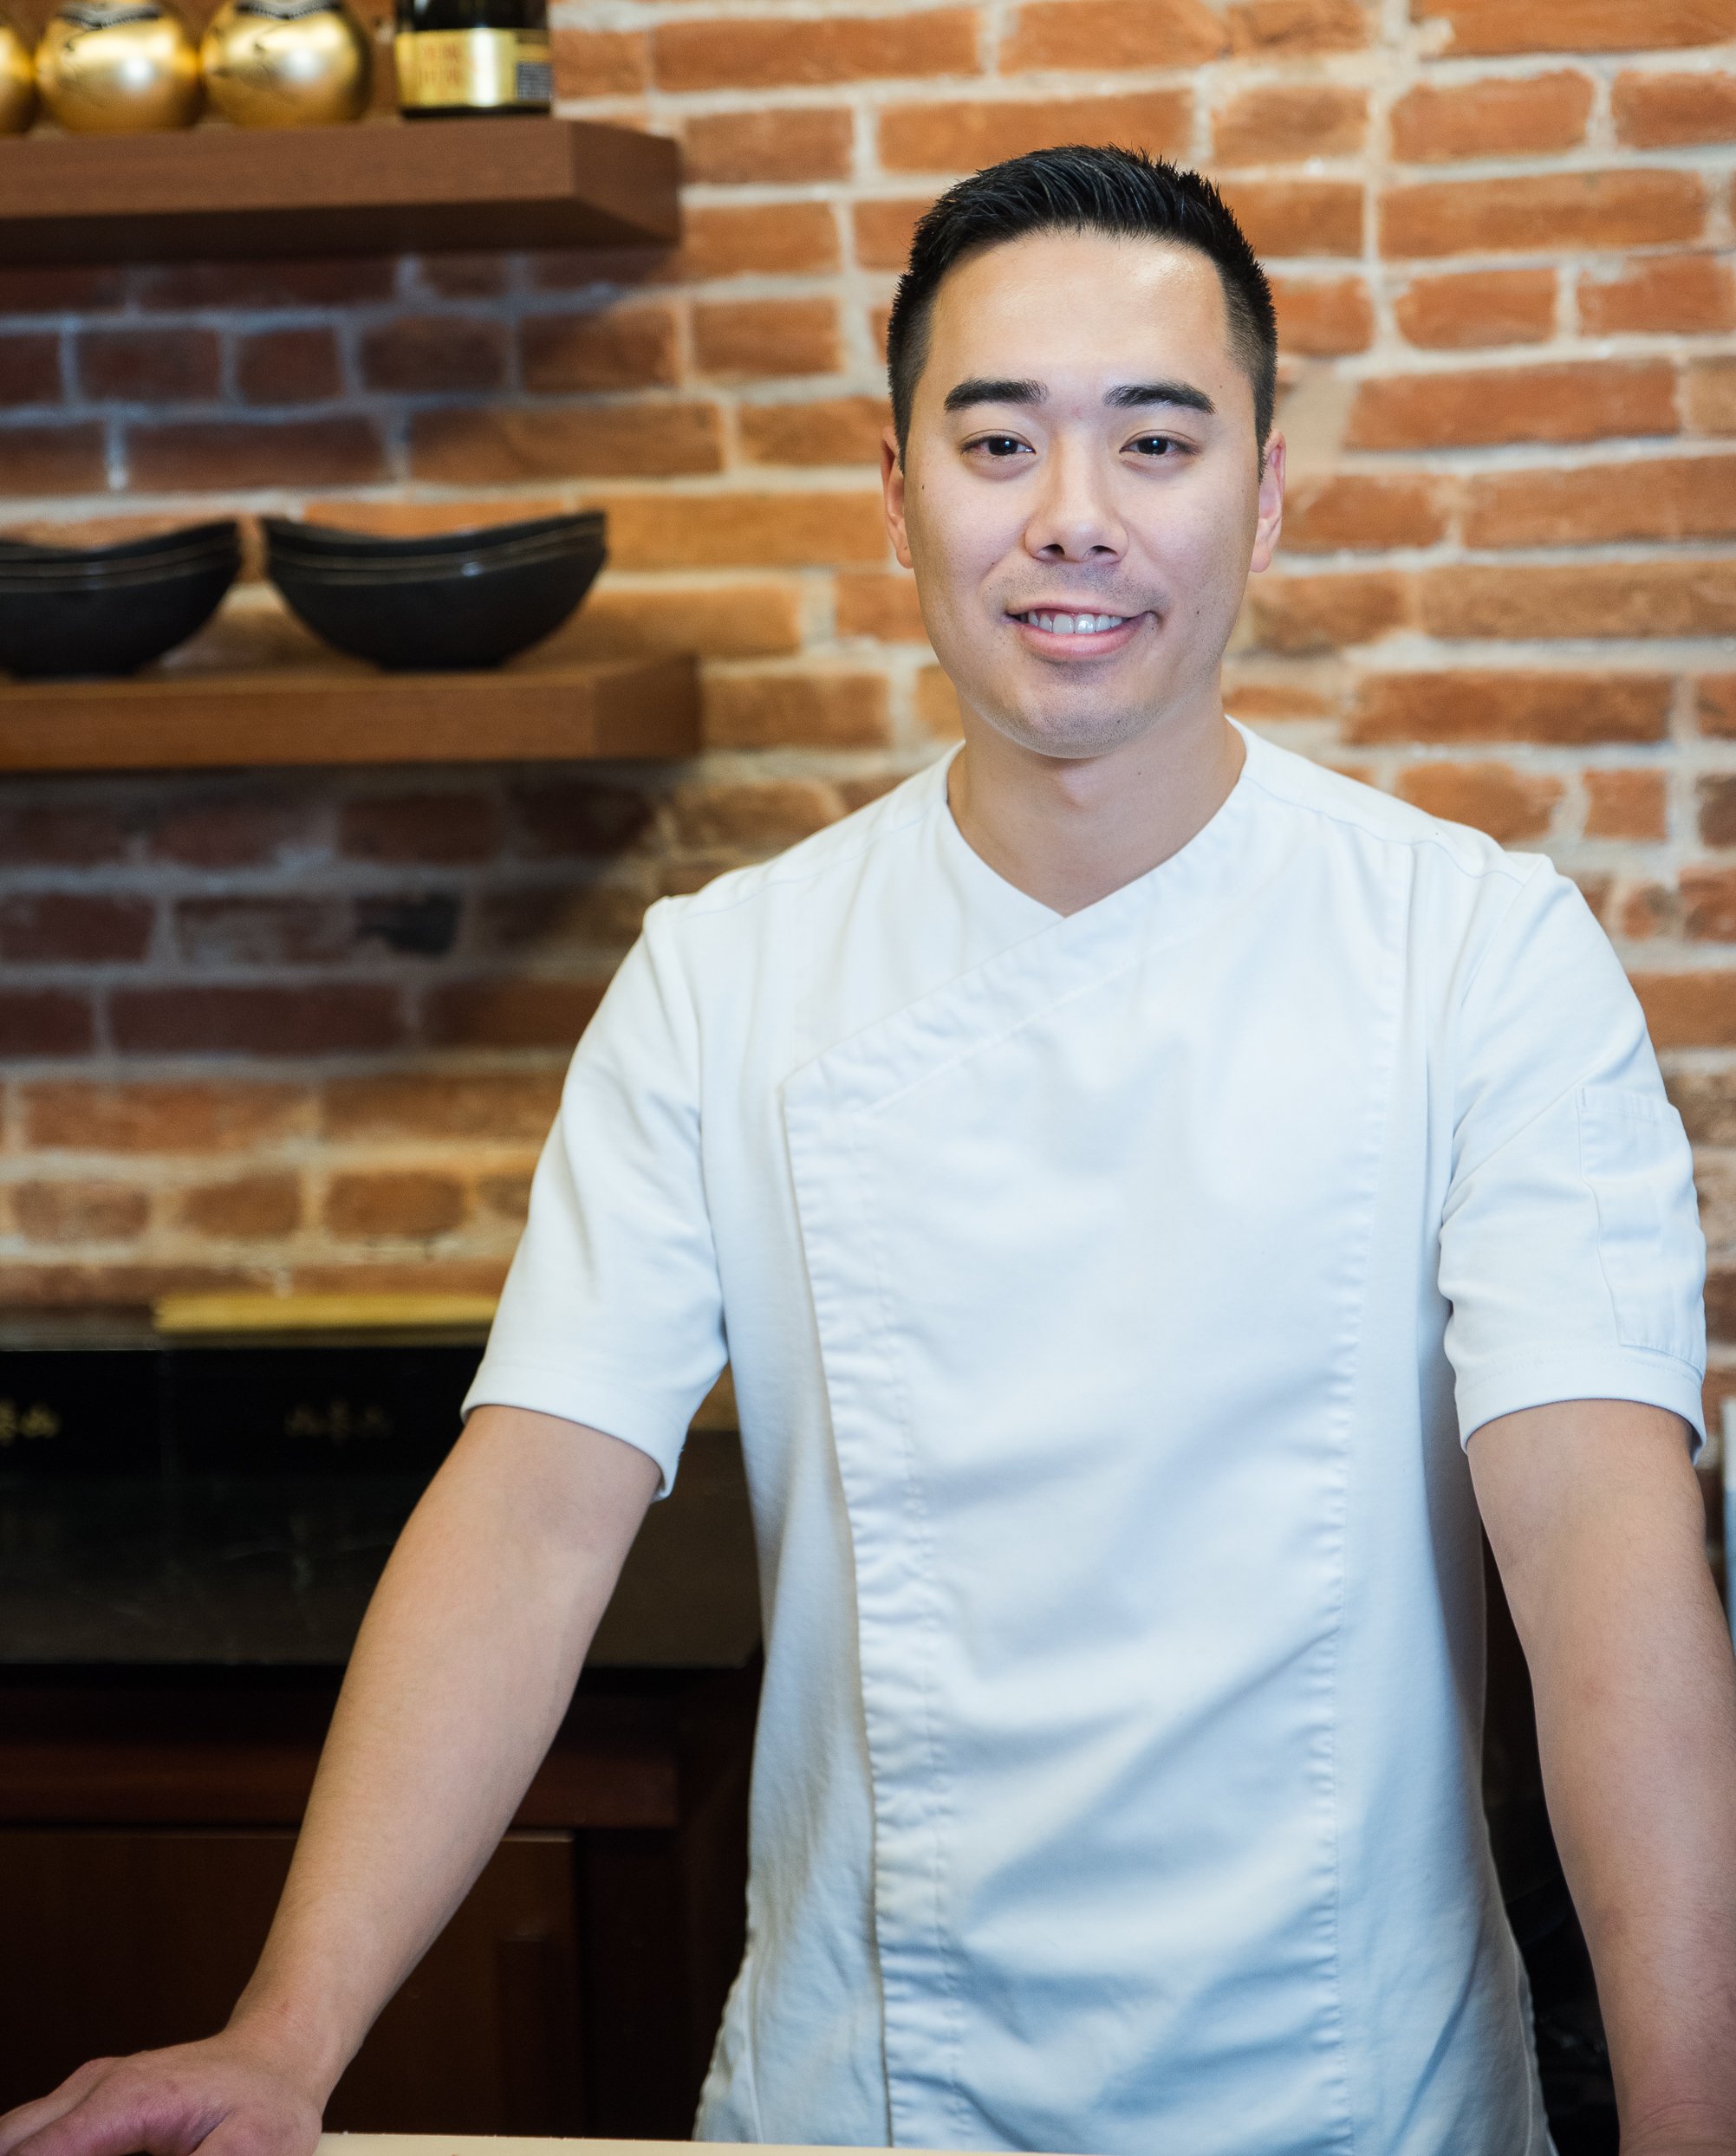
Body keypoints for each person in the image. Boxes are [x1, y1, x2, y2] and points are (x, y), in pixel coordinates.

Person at [5, 145, 1733, 2156]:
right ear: (897, 489)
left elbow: (1599, 1542)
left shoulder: (1475, 952)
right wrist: (284, 2037)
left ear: (1265, 493)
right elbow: (533, 1516)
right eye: (997, 441)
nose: (1072, 515)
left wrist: (1691, 2120)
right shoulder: (727, 977)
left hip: (1362, 2108)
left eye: (1155, 441)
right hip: (869, 2107)